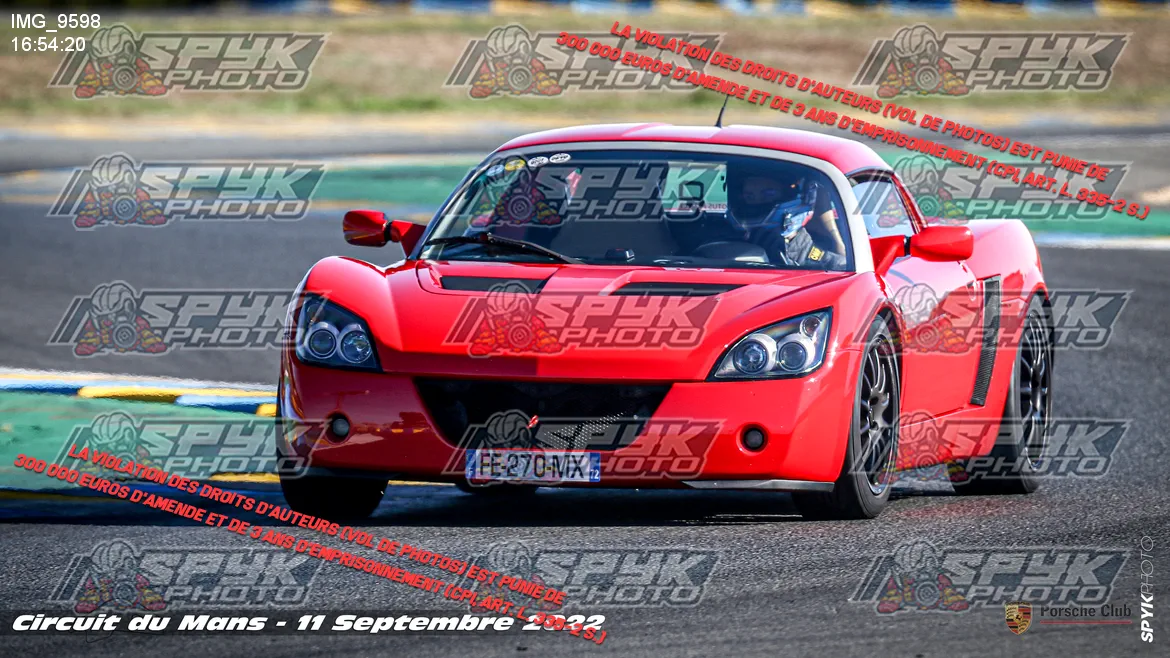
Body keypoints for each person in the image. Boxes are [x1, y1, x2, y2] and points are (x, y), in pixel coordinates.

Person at [728, 165, 849, 269]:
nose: (758, 203)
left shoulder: (833, 266)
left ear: (791, 195)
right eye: (750, 197)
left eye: (769, 194)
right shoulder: (726, 253)